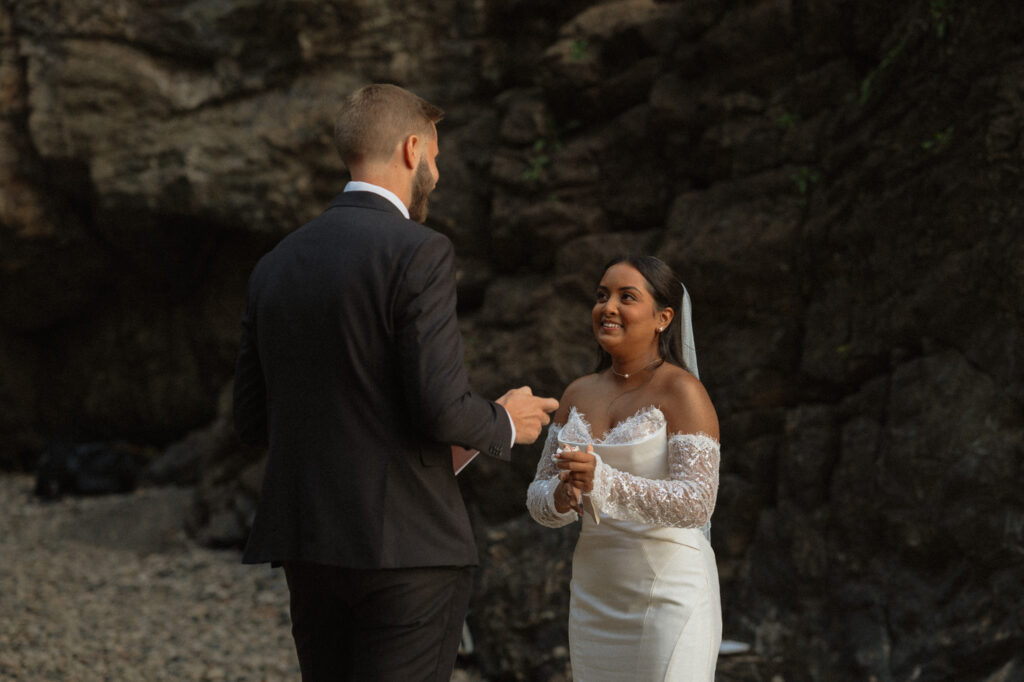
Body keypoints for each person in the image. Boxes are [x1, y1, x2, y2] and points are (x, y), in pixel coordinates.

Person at [233, 83, 558, 682]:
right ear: (413, 149)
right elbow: (438, 407)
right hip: (407, 553)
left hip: (309, 544)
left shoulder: (274, 264)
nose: (436, 168)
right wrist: (506, 421)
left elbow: (252, 420)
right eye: (435, 154)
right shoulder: (420, 252)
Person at [526, 255, 722, 681]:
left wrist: (603, 480)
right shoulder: (576, 392)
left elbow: (698, 503)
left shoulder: (682, 391)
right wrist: (561, 497)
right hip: (595, 598)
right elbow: (538, 497)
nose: (607, 307)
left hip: (669, 594)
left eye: (626, 297)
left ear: (663, 318)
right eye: (601, 296)